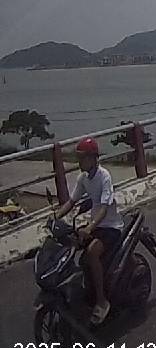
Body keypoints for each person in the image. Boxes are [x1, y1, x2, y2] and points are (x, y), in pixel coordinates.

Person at [51, 137, 124, 324]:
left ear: (93, 158)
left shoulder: (104, 176)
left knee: (91, 253)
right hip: (95, 226)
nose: (79, 161)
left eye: (82, 157)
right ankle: (85, 292)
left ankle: (101, 301)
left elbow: (104, 208)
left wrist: (90, 227)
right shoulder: (83, 178)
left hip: (111, 227)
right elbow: (72, 201)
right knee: (73, 249)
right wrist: (55, 217)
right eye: (78, 157)